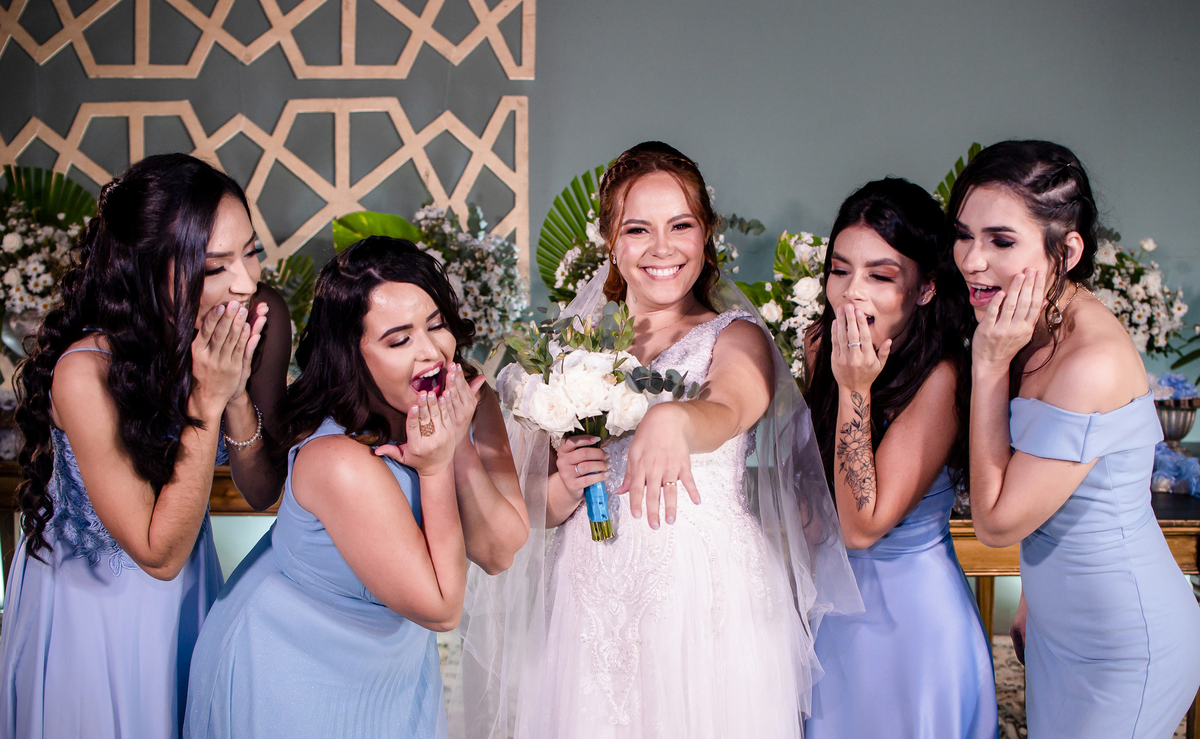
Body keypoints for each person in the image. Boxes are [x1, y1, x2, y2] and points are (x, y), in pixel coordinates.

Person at [480, 141, 858, 739]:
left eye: (681, 225)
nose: (662, 248)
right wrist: (567, 485)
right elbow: (542, 511)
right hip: (591, 594)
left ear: (706, 233)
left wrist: (674, 420)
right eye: (638, 229)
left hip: (699, 596)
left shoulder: (734, 335)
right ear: (610, 240)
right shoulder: (574, 349)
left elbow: (729, 407)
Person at [184, 236, 528, 739]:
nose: (431, 352)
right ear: (353, 355)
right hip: (289, 669)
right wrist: (434, 468)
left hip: (392, 668)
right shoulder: (337, 461)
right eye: (398, 340)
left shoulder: (467, 399)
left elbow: (500, 550)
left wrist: (458, 447)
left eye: (436, 325)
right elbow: (441, 608)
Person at [0, 153, 290, 738]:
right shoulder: (85, 371)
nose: (245, 280)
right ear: (148, 270)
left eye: (251, 251)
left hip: (187, 592)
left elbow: (263, 491)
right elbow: (157, 555)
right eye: (215, 266)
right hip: (92, 612)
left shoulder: (259, 318)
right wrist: (206, 402)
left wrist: (235, 395)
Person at [948, 140, 1200, 738]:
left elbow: (997, 525)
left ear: (1066, 251)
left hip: (1125, 647)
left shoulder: (1090, 361)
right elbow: (1053, 482)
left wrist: (989, 366)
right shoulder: (1030, 322)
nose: (972, 261)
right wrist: (1035, 601)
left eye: (1001, 241)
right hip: (1058, 629)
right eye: (963, 235)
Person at [802, 178, 998, 738]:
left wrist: (854, 389)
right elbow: (813, 488)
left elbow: (862, 526)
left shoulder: (941, 377)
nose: (852, 293)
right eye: (840, 270)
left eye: (880, 276)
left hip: (911, 623)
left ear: (926, 288)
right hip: (832, 614)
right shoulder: (822, 346)